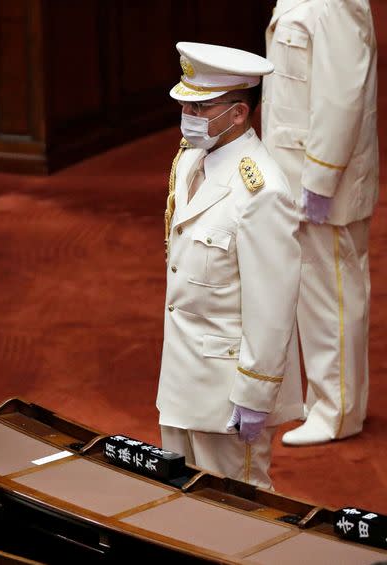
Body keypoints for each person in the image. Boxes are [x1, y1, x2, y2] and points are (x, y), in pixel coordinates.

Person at [157, 42, 303, 489]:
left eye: (200, 107)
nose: (188, 115)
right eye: (185, 103)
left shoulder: (262, 192)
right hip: (181, 380)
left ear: (238, 114)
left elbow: (272, 304)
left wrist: (256, 395)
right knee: (181, 505)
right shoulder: (190, 161)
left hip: (227, 394)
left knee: (238, 513)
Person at [262, 0, 378, 446]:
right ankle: (328, 397)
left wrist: (321, 176)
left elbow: (340, 96)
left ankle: (338, 412)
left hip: (324, 178)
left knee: (333, 296)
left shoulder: (337, 4)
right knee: (313, 293)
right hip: (296, 169)